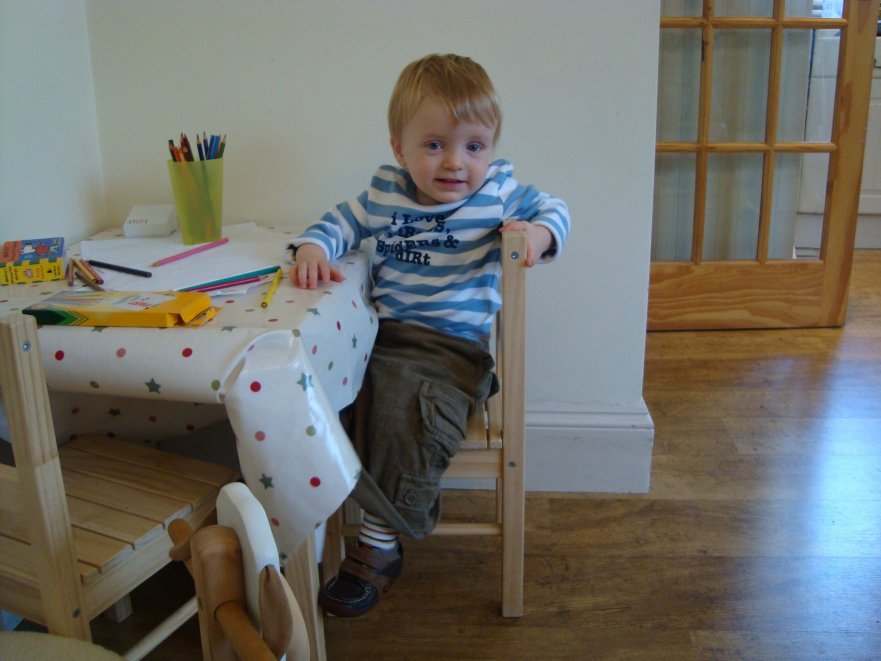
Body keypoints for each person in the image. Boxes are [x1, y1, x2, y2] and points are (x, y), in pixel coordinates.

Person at [289, 53, 570, 617]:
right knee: (320, 397)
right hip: (382, 340)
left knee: (400, 411)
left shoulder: (495, 195)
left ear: (490, 149)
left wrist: (536, 236)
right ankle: (308, 527)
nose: (455, 163)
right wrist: (314, 249)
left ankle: (379, 544)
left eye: (473, 146)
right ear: (400, 148)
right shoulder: (384, 194)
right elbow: (336, 223)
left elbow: (556, 209)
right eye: (435, 144)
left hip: (451, 353)